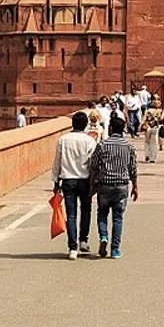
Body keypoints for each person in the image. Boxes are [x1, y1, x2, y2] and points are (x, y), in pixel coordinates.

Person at [89, 122, 139, 259]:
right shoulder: (129, 146)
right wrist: (135, 186)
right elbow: (133, 168)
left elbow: (94, 166)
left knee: (102, 213)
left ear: (110, 129)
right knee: (118, 218)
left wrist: (91, 185)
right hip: (121, 185)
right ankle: (115, 249)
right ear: (123, 129)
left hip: (104, 185)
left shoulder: (102, 145)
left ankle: (104, 237)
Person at [52, 111, 96, 260]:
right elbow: (93, 164)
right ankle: (83, 240)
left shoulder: (63, 139)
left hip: (68, 180)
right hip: (84, 180)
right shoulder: (90, 141)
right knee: (86, 210)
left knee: (71, 214)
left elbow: (57, 162)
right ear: (86, 125)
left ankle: (72, 248)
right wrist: (94, 182)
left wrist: (55, 181)